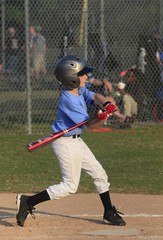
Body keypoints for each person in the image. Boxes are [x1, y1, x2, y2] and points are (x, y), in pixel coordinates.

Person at [16, 54, 126, 227]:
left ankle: (108, 212)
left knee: (99, 173)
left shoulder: (79, 90)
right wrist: (102, 118)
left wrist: (106, 105)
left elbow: (96, 96)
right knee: (69, 185)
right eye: (82, 75)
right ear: (71, 79)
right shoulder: (68, 100)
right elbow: (90, 125)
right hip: (65, 143)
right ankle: (28, 201)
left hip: (76, 141)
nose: (86, 77)